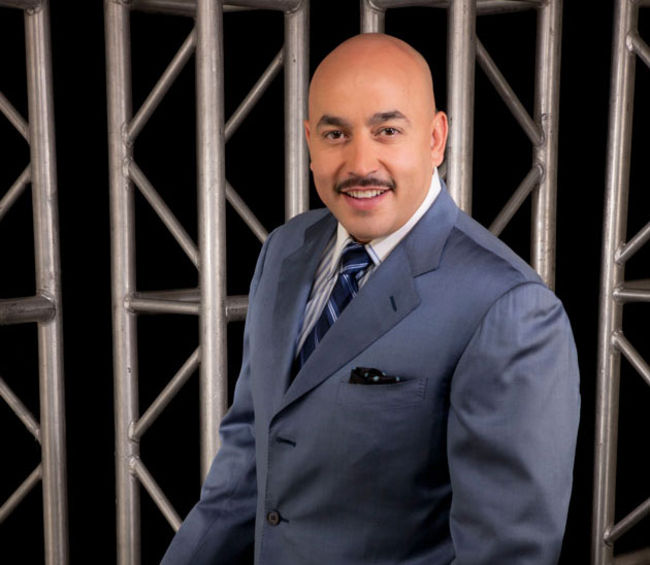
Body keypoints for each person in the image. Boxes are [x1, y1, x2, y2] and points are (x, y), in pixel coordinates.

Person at [162, 33, 580, 564]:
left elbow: (506, 554)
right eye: (336, 134)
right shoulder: (284, 251)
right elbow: (248, 459)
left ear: (436, 138)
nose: (360, 162)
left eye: (387, 130)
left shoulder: (509, 308)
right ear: (309, 140)